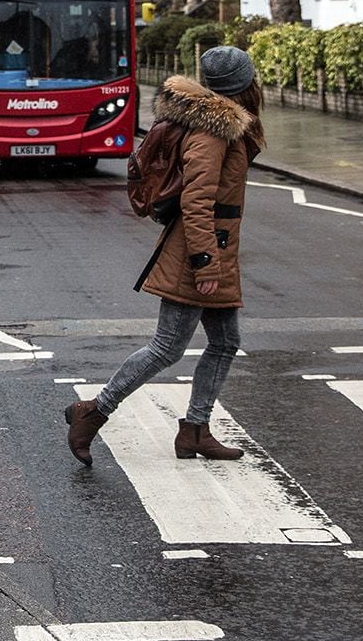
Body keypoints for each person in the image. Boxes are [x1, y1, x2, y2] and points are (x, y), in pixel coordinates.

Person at [64, 46, 263, 467]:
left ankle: (194, 430)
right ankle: (94, 412)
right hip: (199, 252)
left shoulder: (229, 126)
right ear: (244, 85)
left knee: (226, 342)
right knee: (167, 347)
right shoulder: (214, 131)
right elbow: (196, 199)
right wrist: (206, 262)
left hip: (216, 249)